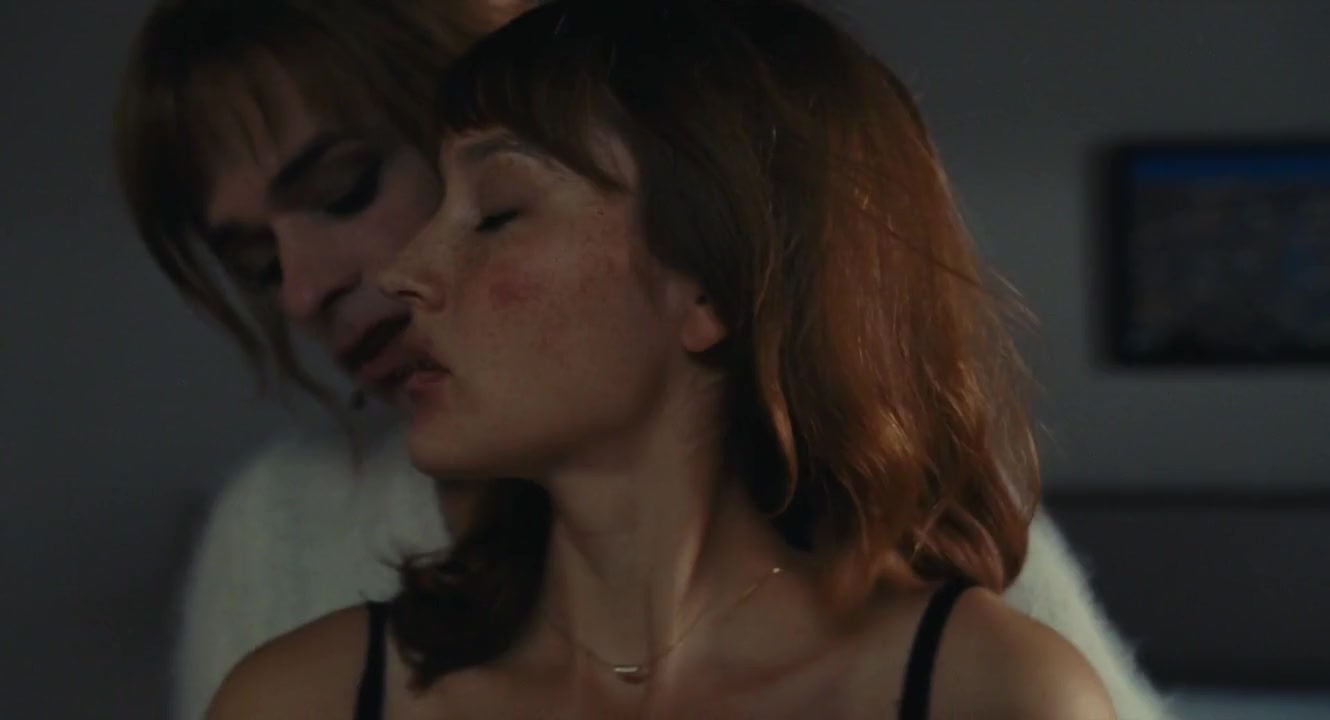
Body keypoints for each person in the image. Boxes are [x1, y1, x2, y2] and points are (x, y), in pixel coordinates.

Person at [111, 0, 1174, 718]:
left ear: (712, 277)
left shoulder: (988, 678)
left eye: (494, 213)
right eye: (254, 263)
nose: (383, 277)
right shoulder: (298, 676)